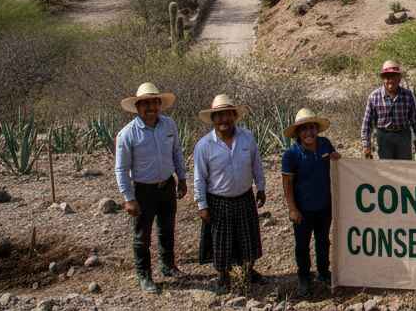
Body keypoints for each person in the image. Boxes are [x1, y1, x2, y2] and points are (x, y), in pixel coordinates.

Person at [114, 82, 188, 294]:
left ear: (159, 105)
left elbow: (176, 152)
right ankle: (144, 275)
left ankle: (168, 265)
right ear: (137, 107)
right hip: (143, 190)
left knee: (167, 229)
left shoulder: (169, 125)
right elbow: (121, 168)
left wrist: (182, 178)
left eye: (154, 103)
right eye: (145, 104)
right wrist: (128, 198)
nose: (151, 108)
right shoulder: (127, 134)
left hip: (167, 185)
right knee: (142, 236)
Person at [194, 94, 266, 292]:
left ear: (234, 116)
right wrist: (202, 205)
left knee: (248, 237)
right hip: (218, 200)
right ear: (213, 119)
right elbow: (199, 178)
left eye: (227, 114)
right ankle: (223, 277)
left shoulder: (247, 137)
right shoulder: (204, 145)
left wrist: (260, 187)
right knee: (221, 241)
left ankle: (248, 271)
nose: (223, 119)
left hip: (245, 196)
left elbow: (256, 164)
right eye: (218, 115)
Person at [281, 108, 340, 295]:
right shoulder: (290, 155)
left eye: (312, 128)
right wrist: (292, 209)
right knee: (302, 245)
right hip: (303, 209)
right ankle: (304, 277)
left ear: (317, 129)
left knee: (323, 241)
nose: (309, 132)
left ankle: (323, 272)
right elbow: (287, 183)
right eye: (304, 129)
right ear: (298, 132)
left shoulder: (325, 144)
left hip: (324, 205)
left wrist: (336, 158)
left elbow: (335, 161)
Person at [360, 60, 416, 160]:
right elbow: (367, 123)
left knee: (405, 166)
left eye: (393, 76)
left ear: (399, 78)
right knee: (386, 167)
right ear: (382, 79)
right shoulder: (374, 97)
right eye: (387, 77)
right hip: (383, 137)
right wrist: (366, 145)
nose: (390, 80)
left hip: (403, 136)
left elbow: (415, 120)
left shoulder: (407, 95)